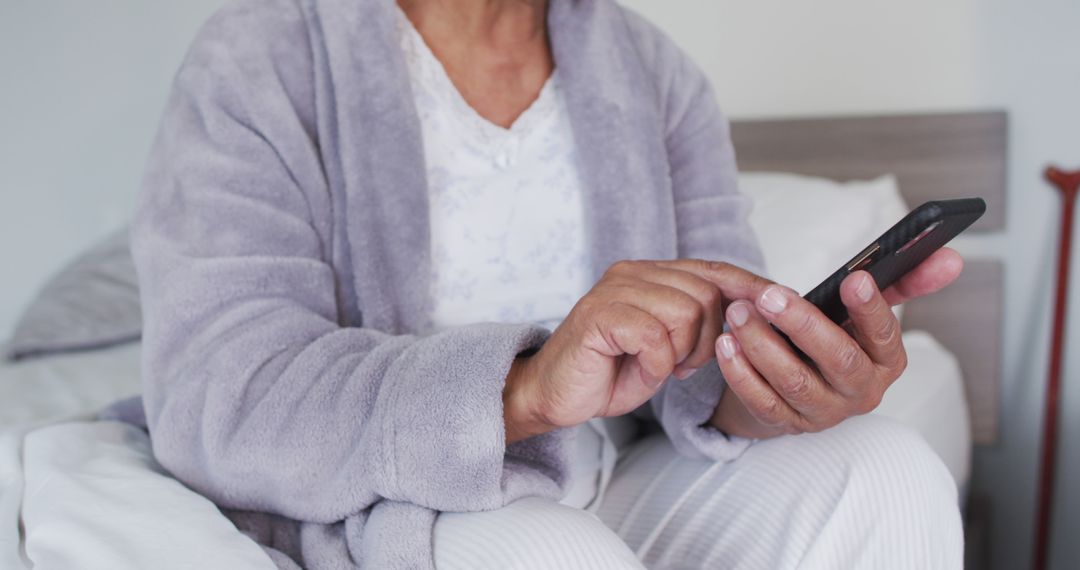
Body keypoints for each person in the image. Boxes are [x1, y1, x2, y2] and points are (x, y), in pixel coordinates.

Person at [130, 0, 965, 567]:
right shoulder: (262, 59)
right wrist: (525, 387)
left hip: (626, 472)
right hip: (399, 502)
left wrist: (785, 382)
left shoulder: (652, 70)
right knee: (557, 559)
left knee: (889, 469)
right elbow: (222, 395)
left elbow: (711, 377)